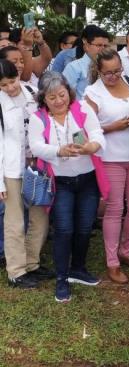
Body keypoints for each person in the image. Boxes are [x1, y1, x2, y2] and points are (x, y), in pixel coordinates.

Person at [29, 72, 109, 303]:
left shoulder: (82, 108)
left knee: (85, 226)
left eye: (62, 94)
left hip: (87, 179)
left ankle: (78, 269)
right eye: (52, 97)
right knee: (64, 229)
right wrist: (59, 151)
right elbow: (35, 146)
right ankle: (62, 278)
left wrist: (91, 146)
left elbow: (97, 135)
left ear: (69, 92)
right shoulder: (38, 118)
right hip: (60, 183)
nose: (59, 101)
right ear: (44, 99)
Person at [84, 48, 129, 284]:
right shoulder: (93, 92)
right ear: (98, 71)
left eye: (117, 71)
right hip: (111, 156)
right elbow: (86, 129)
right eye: (108, 73)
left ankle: (126, 251)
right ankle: (112, 262)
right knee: (114, 209)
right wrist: (115, 126)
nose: (113, 77)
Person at [0, 60, 52, 288]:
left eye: (12, 82)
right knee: (14, 221)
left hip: (37, 165)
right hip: (10, 168)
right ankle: (16, 271)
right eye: (3, 85)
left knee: (40, 216)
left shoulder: (32, 92)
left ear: (17, 76)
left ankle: (32, 263)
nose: (10, 88)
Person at [62, 25, 110, 97]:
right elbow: (67, 97)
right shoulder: (73, 67)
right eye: (99, 45)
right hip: (81, 107)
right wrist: (78, 109)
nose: (103, 49)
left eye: (105, 46)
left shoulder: (110, 67)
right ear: (87, 46)